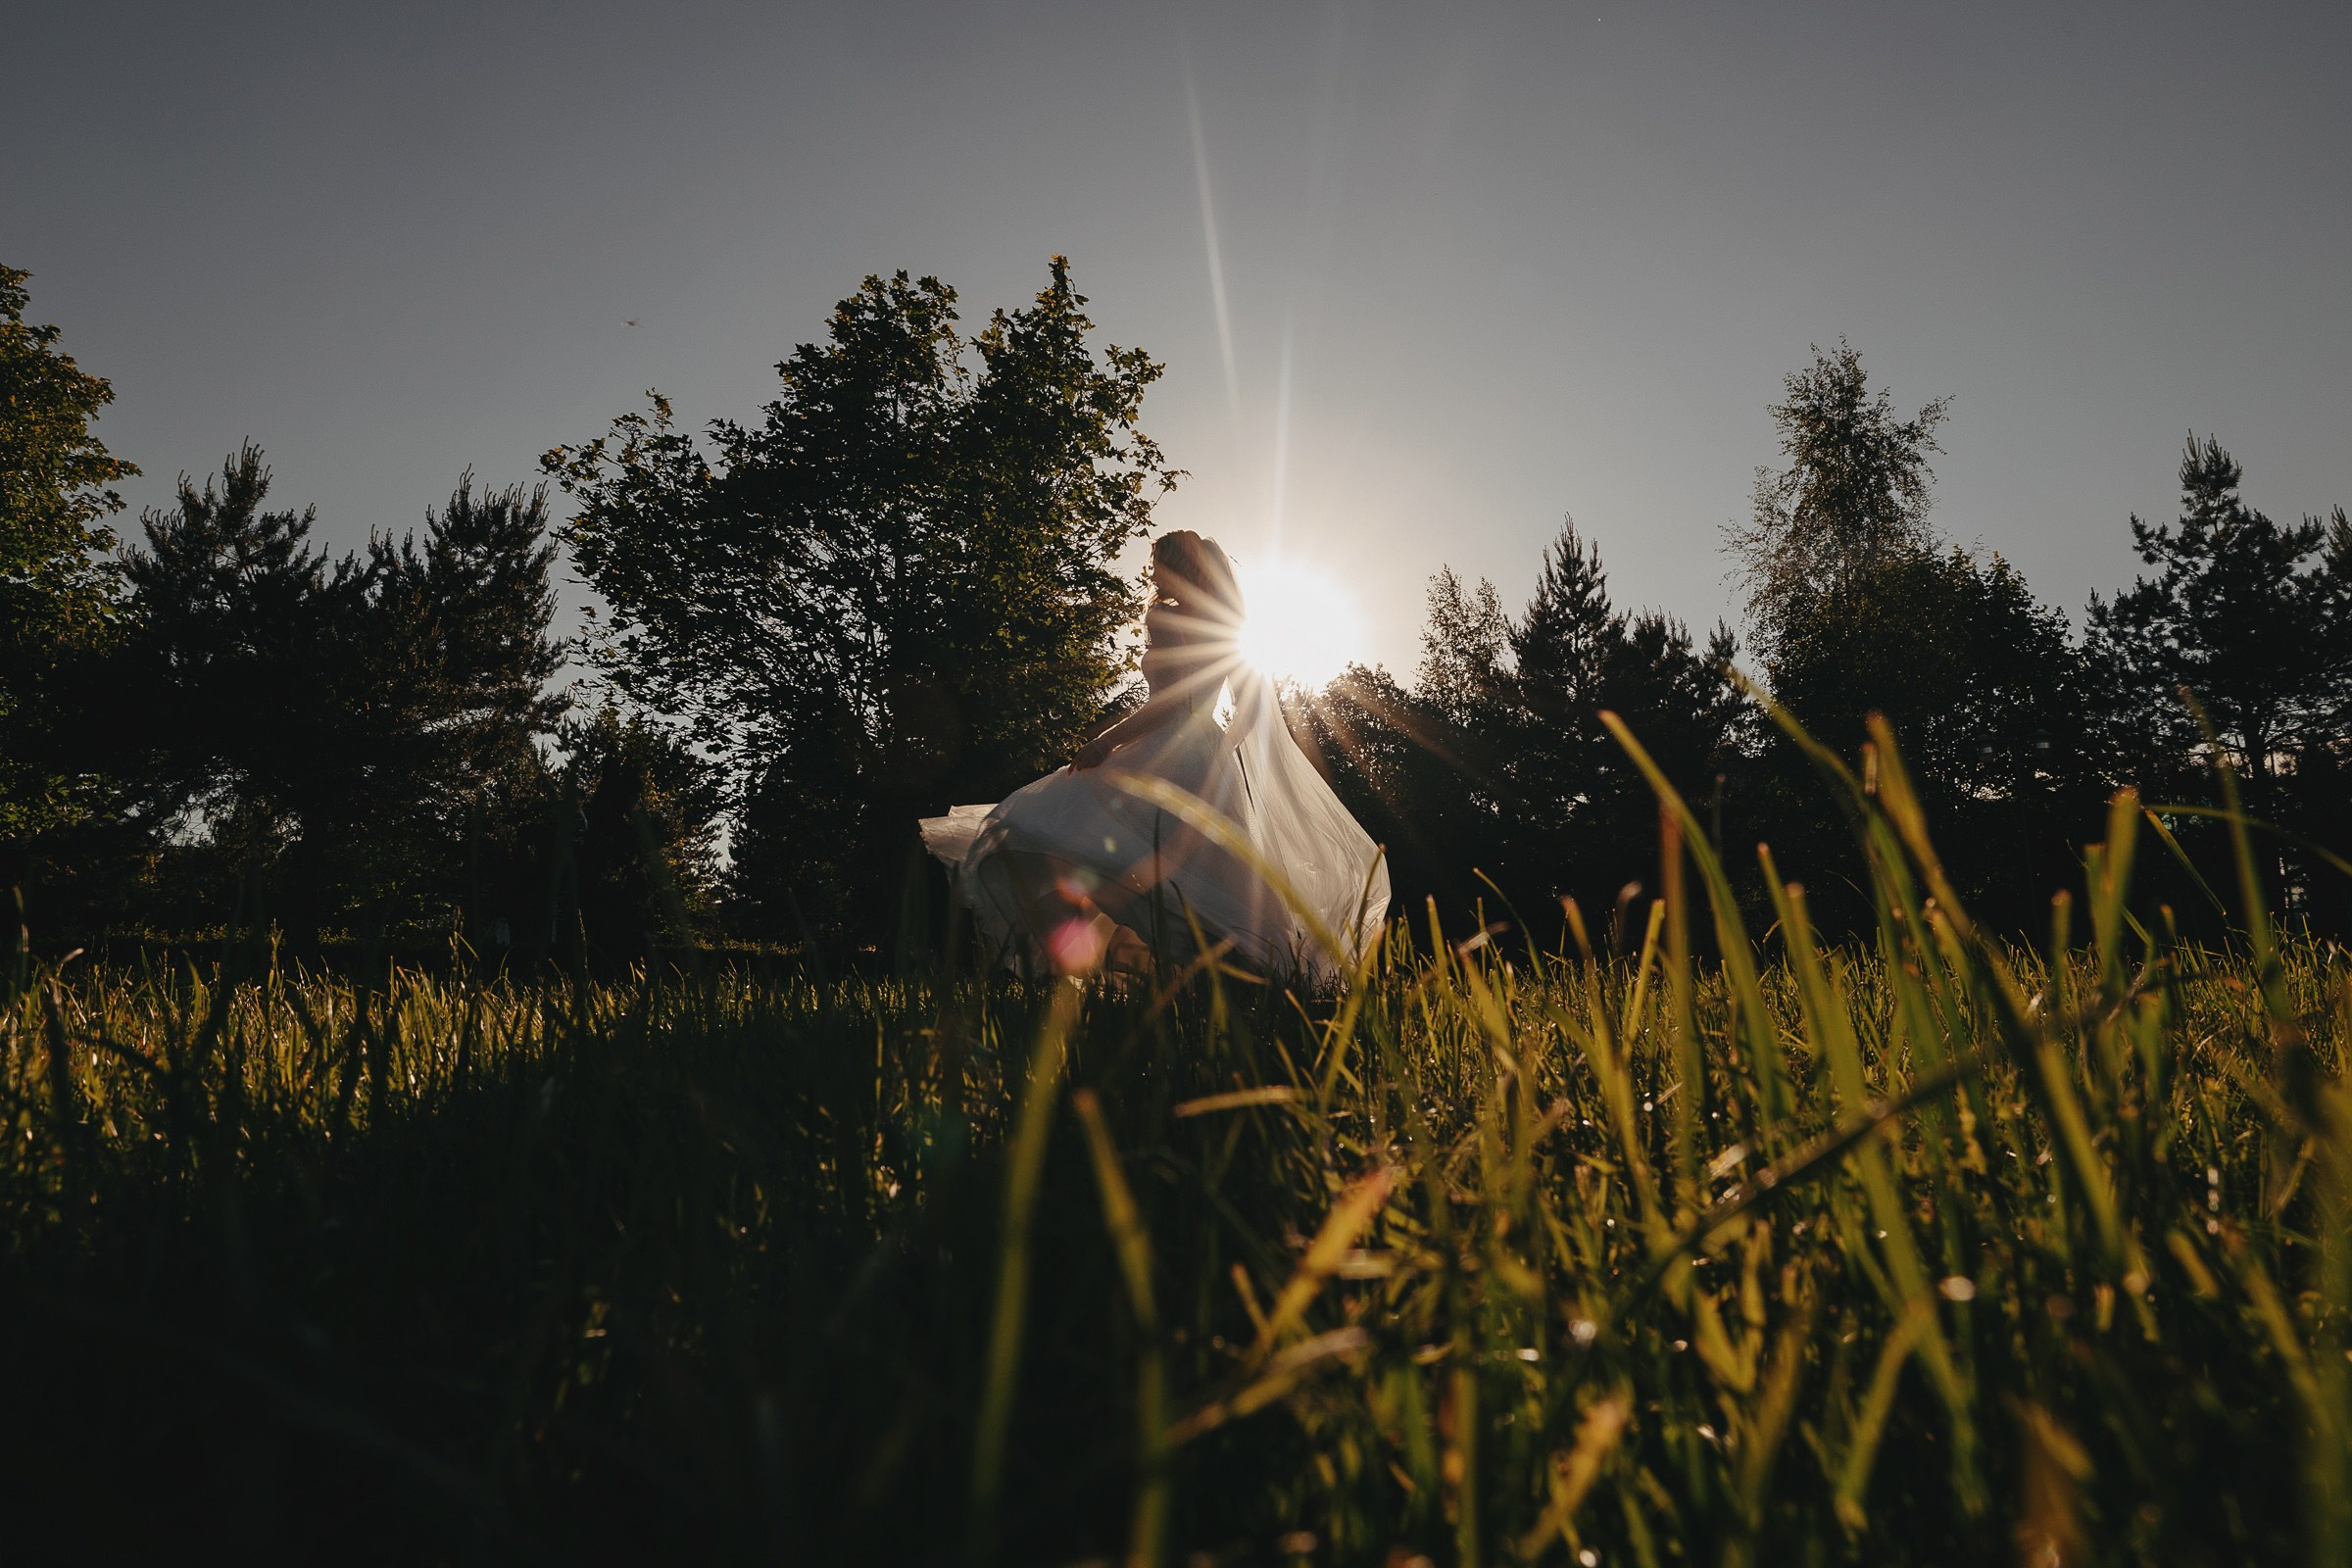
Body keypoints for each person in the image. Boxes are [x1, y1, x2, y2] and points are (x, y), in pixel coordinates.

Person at [919, 531, 1390, 978]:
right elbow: (1243, 708)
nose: (1152, 574)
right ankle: (1211, 973)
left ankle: (1098, 965)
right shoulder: (1225, 623)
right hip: (1205, 757)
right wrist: (1217, 754)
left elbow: (1172, 703)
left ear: (1178, 566)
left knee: (1054, 828)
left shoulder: (1168, 617)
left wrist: (1109, 741)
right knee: (1193, 875)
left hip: (1167, 753)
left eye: (1157, 564)